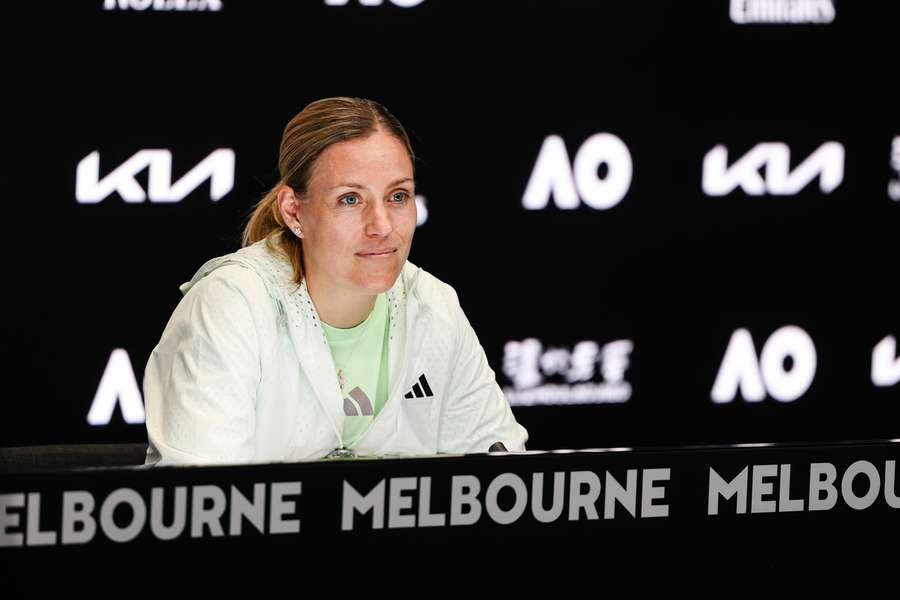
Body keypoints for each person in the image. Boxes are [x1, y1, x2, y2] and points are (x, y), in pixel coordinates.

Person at [143, 96, 528, 465]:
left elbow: (497, 483)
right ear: (294, 211)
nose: (382, 226)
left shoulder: (433, 304)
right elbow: (202, 504)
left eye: (397, 196)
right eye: (350, 199)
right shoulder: (231, 304)